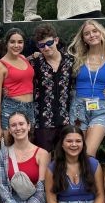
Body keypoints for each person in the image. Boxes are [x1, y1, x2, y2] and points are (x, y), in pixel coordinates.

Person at [67, 19, 105, 156]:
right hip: (78, 108)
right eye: (87, 33)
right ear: (84, 39)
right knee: (76, 153)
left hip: (100, 108)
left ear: (101, 34)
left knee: (88, 154)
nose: (92, 35)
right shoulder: (77, 58)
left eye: (95, 31)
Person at [28, 24, 75, 153]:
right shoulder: (34, 63)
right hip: (42, 122)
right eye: (42, 45)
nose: (46, 48)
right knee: (44, 161)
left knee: (66, 160)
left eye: (49, 43)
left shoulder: (71, 61)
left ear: (56, 40)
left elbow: (81, 83)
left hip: (66, 120)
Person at [0, 28, 34, 144]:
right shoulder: (0, 65)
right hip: (11, 108)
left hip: (30, 108)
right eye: (12, 42)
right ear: (6, 43)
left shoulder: (24, 58)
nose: (16, 45)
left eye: (20, 42)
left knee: (28, 147)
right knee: (11, 149)